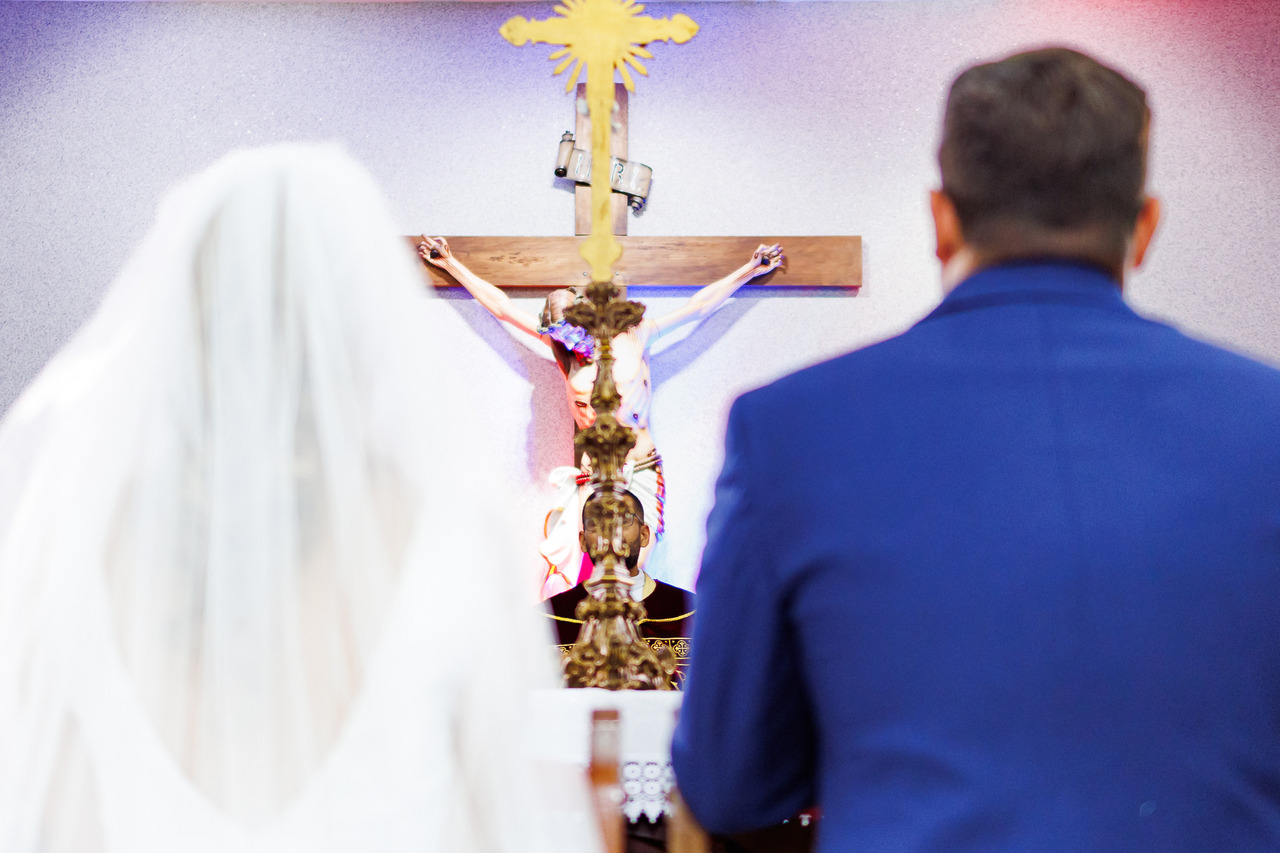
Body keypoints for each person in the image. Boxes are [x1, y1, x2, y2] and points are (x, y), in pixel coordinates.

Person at [672, 47, 1280, 850]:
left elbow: (729, 781)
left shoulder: (788, 427)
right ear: (1144, 228)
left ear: (941, 219)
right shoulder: (1265, 419)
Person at [0, 145, 598, 853]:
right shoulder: (448, 538)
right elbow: (499, 821)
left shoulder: (83, 537)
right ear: (363, 332)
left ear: (182, 326)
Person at [419, 236, 783, 599]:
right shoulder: (563, 352)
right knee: (579, 572)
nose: (569, 338)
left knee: (634, 570)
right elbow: (502, 308)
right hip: (593, 472)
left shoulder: (634, 334)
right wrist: (451, 264)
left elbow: (697, 307)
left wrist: (750, 270)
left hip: (640, 466)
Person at [545, 489, 696, 687]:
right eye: (596, 523)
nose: (611, 534)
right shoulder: (547, 618)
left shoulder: (692, 612)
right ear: (582, 541)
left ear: (644, 535)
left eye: (624, 521)